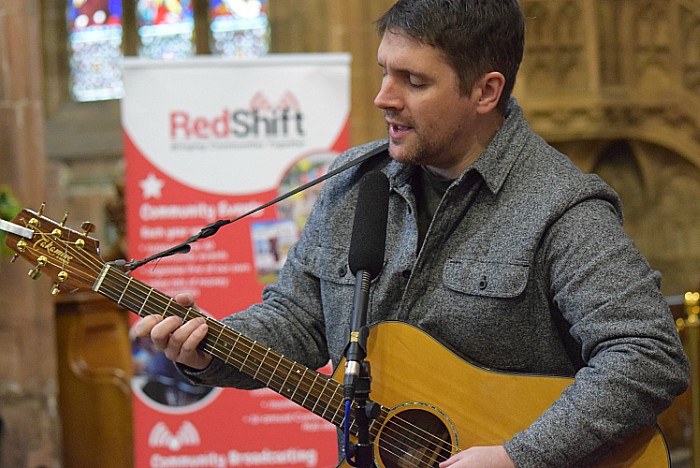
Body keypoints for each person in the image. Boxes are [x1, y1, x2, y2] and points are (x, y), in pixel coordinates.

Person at [132, 0, 690, 466]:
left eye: (413, 80)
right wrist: (207, 351)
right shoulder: (355, 182)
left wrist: (518, 455)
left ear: (485, 92)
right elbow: (298, 319)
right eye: (384, 71)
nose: (384, 97)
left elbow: (647, 355)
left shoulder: (562, 207)